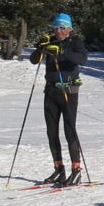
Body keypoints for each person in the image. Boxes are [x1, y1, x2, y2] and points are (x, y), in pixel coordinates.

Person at [30, 12, 88, 187]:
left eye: (62, 27)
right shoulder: (51, 41)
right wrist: (40, 48)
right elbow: (33, 60)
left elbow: (82, 59)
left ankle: (76, 170)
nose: (59, 31)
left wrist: (63, 51)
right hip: (51, 91)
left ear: (69, 28)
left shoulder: (75, 42)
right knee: (51, 131)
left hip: (69, 91)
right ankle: (59, 169)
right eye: (56, 27)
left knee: (69, 130)